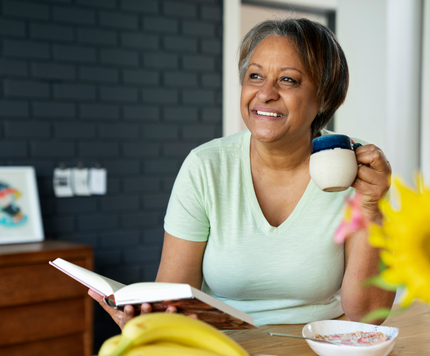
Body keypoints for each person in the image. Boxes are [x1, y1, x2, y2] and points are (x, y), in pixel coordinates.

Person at [89, 17, 396, 329]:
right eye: (255, 76)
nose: (265, 93)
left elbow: (368, 313)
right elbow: (173, 297)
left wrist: (372, 210)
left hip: (316, 345)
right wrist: (144, 319)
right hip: (222, 345)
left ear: (324, 97)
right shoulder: (205, 167)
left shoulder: (353, 168)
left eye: (288, 80)